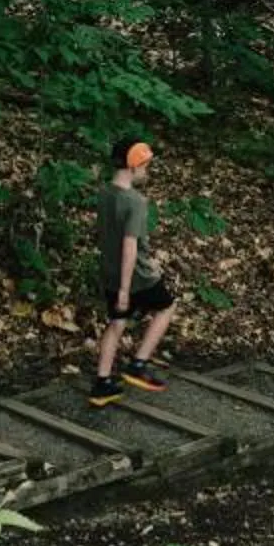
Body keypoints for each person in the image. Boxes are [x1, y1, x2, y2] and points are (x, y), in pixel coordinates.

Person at [88, 136, 176, 408]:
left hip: (109, 271)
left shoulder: (104, 193)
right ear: (133, 166)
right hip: (135, 275)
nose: (146, 172)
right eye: (145, 166)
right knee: (167, 307)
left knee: (116, 322)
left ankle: (102, 384)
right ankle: (138, 364)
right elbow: (130, 246)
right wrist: (127, 289)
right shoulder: (135, 202)